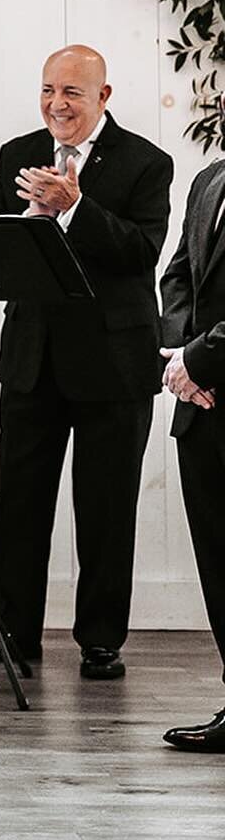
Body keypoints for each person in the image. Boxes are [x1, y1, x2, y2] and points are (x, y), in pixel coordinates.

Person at [0, 45, 171, 682]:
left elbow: (140, 252)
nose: (56, 104)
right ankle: (9, 636)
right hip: (33, 357)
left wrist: (75, 206)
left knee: (105, 506)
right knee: (17, 502)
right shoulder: (17, 154)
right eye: (47, 90)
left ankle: (101, 641)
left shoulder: (147, 162)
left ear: (104, 96)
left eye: (71, 92)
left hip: (114, 363)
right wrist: (33, 216)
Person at [159, 155, 225, 750]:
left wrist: (200, 358)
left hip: (209, 374)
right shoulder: (210, 179)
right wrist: (181, 357)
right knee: (220, 565)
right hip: (202, 406)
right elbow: (178, 275)